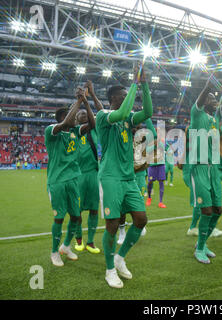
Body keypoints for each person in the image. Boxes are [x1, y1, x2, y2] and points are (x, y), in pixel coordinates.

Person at [96, 63, 152, 288]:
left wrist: (145, 85)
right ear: (113, 99)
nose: (127, 100)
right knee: (112, 225)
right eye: (122, 96)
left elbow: (147, 112)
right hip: (110, 178)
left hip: (128, 178)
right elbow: (121, 112)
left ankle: (119, 258)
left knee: (141, 219)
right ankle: (109, 270)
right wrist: (134, 84)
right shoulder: (104, 115)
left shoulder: (128, 120)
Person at [46, 87, 95, 267]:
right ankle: (54, 252)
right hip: (57, 182)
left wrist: (86, 101)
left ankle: (66, 246)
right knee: (59, 218)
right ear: (62, 118)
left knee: (76, 217)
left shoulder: (76, 132)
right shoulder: (51, 131)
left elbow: (93, 124)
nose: (76, 119)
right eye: (73, 117)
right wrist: (79, 101)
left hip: (74, 180)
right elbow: (67, 122)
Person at [190, 74, 222, 264]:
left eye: (216, 99)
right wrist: (209, 83)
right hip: (199, 168)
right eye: (211, 99)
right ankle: (199, 249)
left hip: (214, 169)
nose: (215, 101)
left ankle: (203, 243)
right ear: (204, 101)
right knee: (206, 210)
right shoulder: (196, 113)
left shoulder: (214, 118)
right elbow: (202, 97)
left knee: (217, 210)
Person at [74, 81, 104, 254]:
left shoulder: (94, 130)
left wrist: (87, 101)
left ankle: (91, 241)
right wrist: (80, 102)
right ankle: (79, 240)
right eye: (81, 114)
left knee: (93, 209)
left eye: (86, 114)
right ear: (76, 118)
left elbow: (96, 119)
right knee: (76, 211)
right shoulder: (72, 132)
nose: (84, 115)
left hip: (93, 174)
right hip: (78, 175)